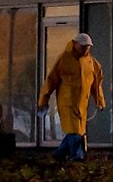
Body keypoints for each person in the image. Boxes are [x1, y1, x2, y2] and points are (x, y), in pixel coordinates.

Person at [39, 31, 107, 161]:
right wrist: (44, 100)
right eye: (83, 46)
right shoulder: (64, 60)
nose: (86, 49)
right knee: (76, 130)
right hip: (67, 102)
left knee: (77, 130)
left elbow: (96, 85)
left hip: (82, 104)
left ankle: (60, 153)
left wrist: (100, 101)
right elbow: (51, 81)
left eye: (87, 47)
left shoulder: (92, 63)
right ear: (75, 44)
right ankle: (77, 156)